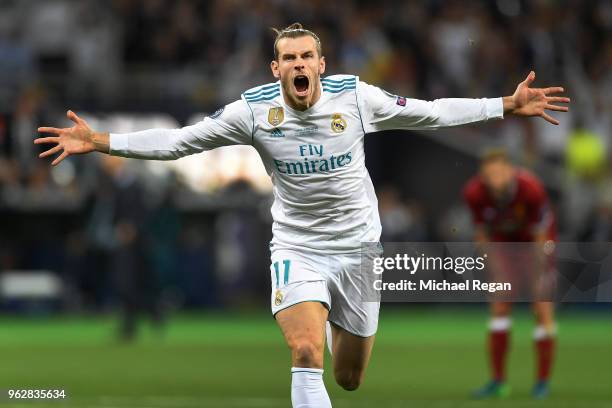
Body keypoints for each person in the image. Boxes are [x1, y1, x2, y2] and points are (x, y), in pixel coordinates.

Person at [35, 23, 569, 408]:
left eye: (305, 57)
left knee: (350, 377)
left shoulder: (356, 98)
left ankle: (340, 332)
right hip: (296, 246)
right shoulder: (254, 111)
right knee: (305, 348)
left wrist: (504, 104)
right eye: (287, 58)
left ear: (320, 65)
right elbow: (178, 143)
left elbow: (431, 112)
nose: (297, 65)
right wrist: (101, 141)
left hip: (359, 249)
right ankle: (313, 335)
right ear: (276, 68)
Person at [463, 150, 557, 399]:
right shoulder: (474, 193)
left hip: (536, 246)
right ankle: (498, 381)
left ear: (510, 171)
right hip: (503, 248)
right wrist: (496, 270)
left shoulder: (532, 189)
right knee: (499, 307)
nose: (493, 178)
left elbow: (540, 236)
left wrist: (538, 276)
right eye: (488, 174)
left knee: (542, 307)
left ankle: (542, 382)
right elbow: (482, 235)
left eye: (498, 172)